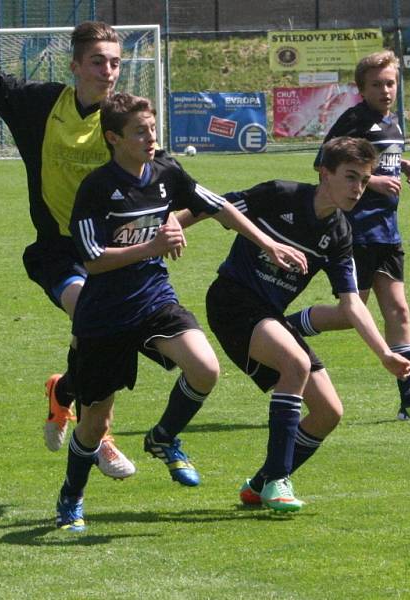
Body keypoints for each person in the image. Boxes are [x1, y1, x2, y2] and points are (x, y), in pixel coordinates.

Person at [55, 92, 308, 531]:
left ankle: (164, 437)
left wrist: (268, 243)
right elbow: (91, 259)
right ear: (113, 138)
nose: (150, 137)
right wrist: (152, 245)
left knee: (206, 369)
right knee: (94, 423)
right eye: (139, 131)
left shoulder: (167, 171)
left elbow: (220, 205)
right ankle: (71, 497)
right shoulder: (96, 187)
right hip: (104, 314)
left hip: (154, 298)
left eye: (152, 128)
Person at [0, 21, 135, 479]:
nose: (107, 71)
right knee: (96, 321)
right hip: (58, 252)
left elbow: (156, 177)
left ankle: (63, 392)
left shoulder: (123, 120)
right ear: (75, 65)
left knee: (98, 336)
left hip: (112, 255)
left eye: (114, 62)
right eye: (97, 61)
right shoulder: (42, 104)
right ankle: (102, 436)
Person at [205, 137, 410, 512]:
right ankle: (278, 481)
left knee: (329, 412)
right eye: (350, 177)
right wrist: (172, 222)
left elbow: (351, 304)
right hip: (231, 303)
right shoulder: (279, 194)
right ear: (324, 172)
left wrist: (384, 353)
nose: (358, 188)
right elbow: (212, 204)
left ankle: (260, 484)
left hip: (268, 315)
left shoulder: (338, 233)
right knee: (296, 365)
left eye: (365, 181)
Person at [286, 49, 410, 423]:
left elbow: (376, 158)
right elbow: (322, 163)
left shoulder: (392, 122)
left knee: (398, 311)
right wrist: (373, 180)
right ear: (360, 88)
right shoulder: (354, 119)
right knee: (352, 315)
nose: (386, 89)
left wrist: (403, 164)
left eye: (391, 83)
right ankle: (291, 326)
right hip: (358, 234)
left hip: (387, 233)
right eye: (377, 84)